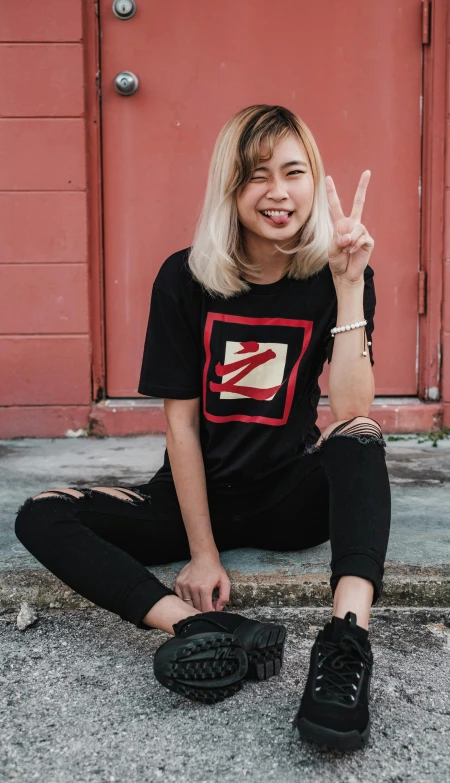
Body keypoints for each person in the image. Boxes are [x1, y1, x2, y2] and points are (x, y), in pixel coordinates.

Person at [14, 104, 391, 751]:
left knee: (361, 437)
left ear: (313, 179)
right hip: (194, 493)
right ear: (230, 188)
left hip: (287, 498)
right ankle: (196, 628)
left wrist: (350, 284)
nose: (278, 191)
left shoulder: (335, 275)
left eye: (294, 171)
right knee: (41, 514)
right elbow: (181, 426)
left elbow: (352, 404)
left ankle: (344, 648)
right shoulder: (186, 280)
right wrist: (203, 550)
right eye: (257, 174)